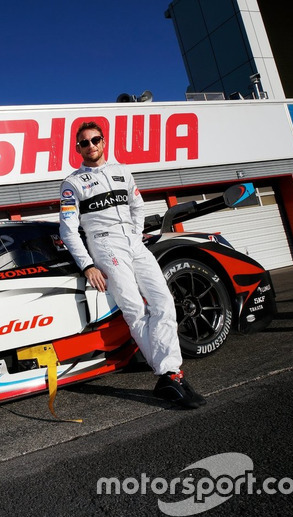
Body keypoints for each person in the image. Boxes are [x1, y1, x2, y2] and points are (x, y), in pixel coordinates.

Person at [59, 121, 205, 409]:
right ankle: (170, 374)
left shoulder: (123, 172)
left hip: (134, 243)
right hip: (105, 244)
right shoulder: (72, 183)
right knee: (135, 309)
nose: (91, 146)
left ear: (103, 142)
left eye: (95, 140)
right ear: (78, 149)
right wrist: (88, 264)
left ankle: (170, 374)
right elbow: (67, 230)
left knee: (163, 302)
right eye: (84, 143)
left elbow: (137, 206)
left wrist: (135, 234)